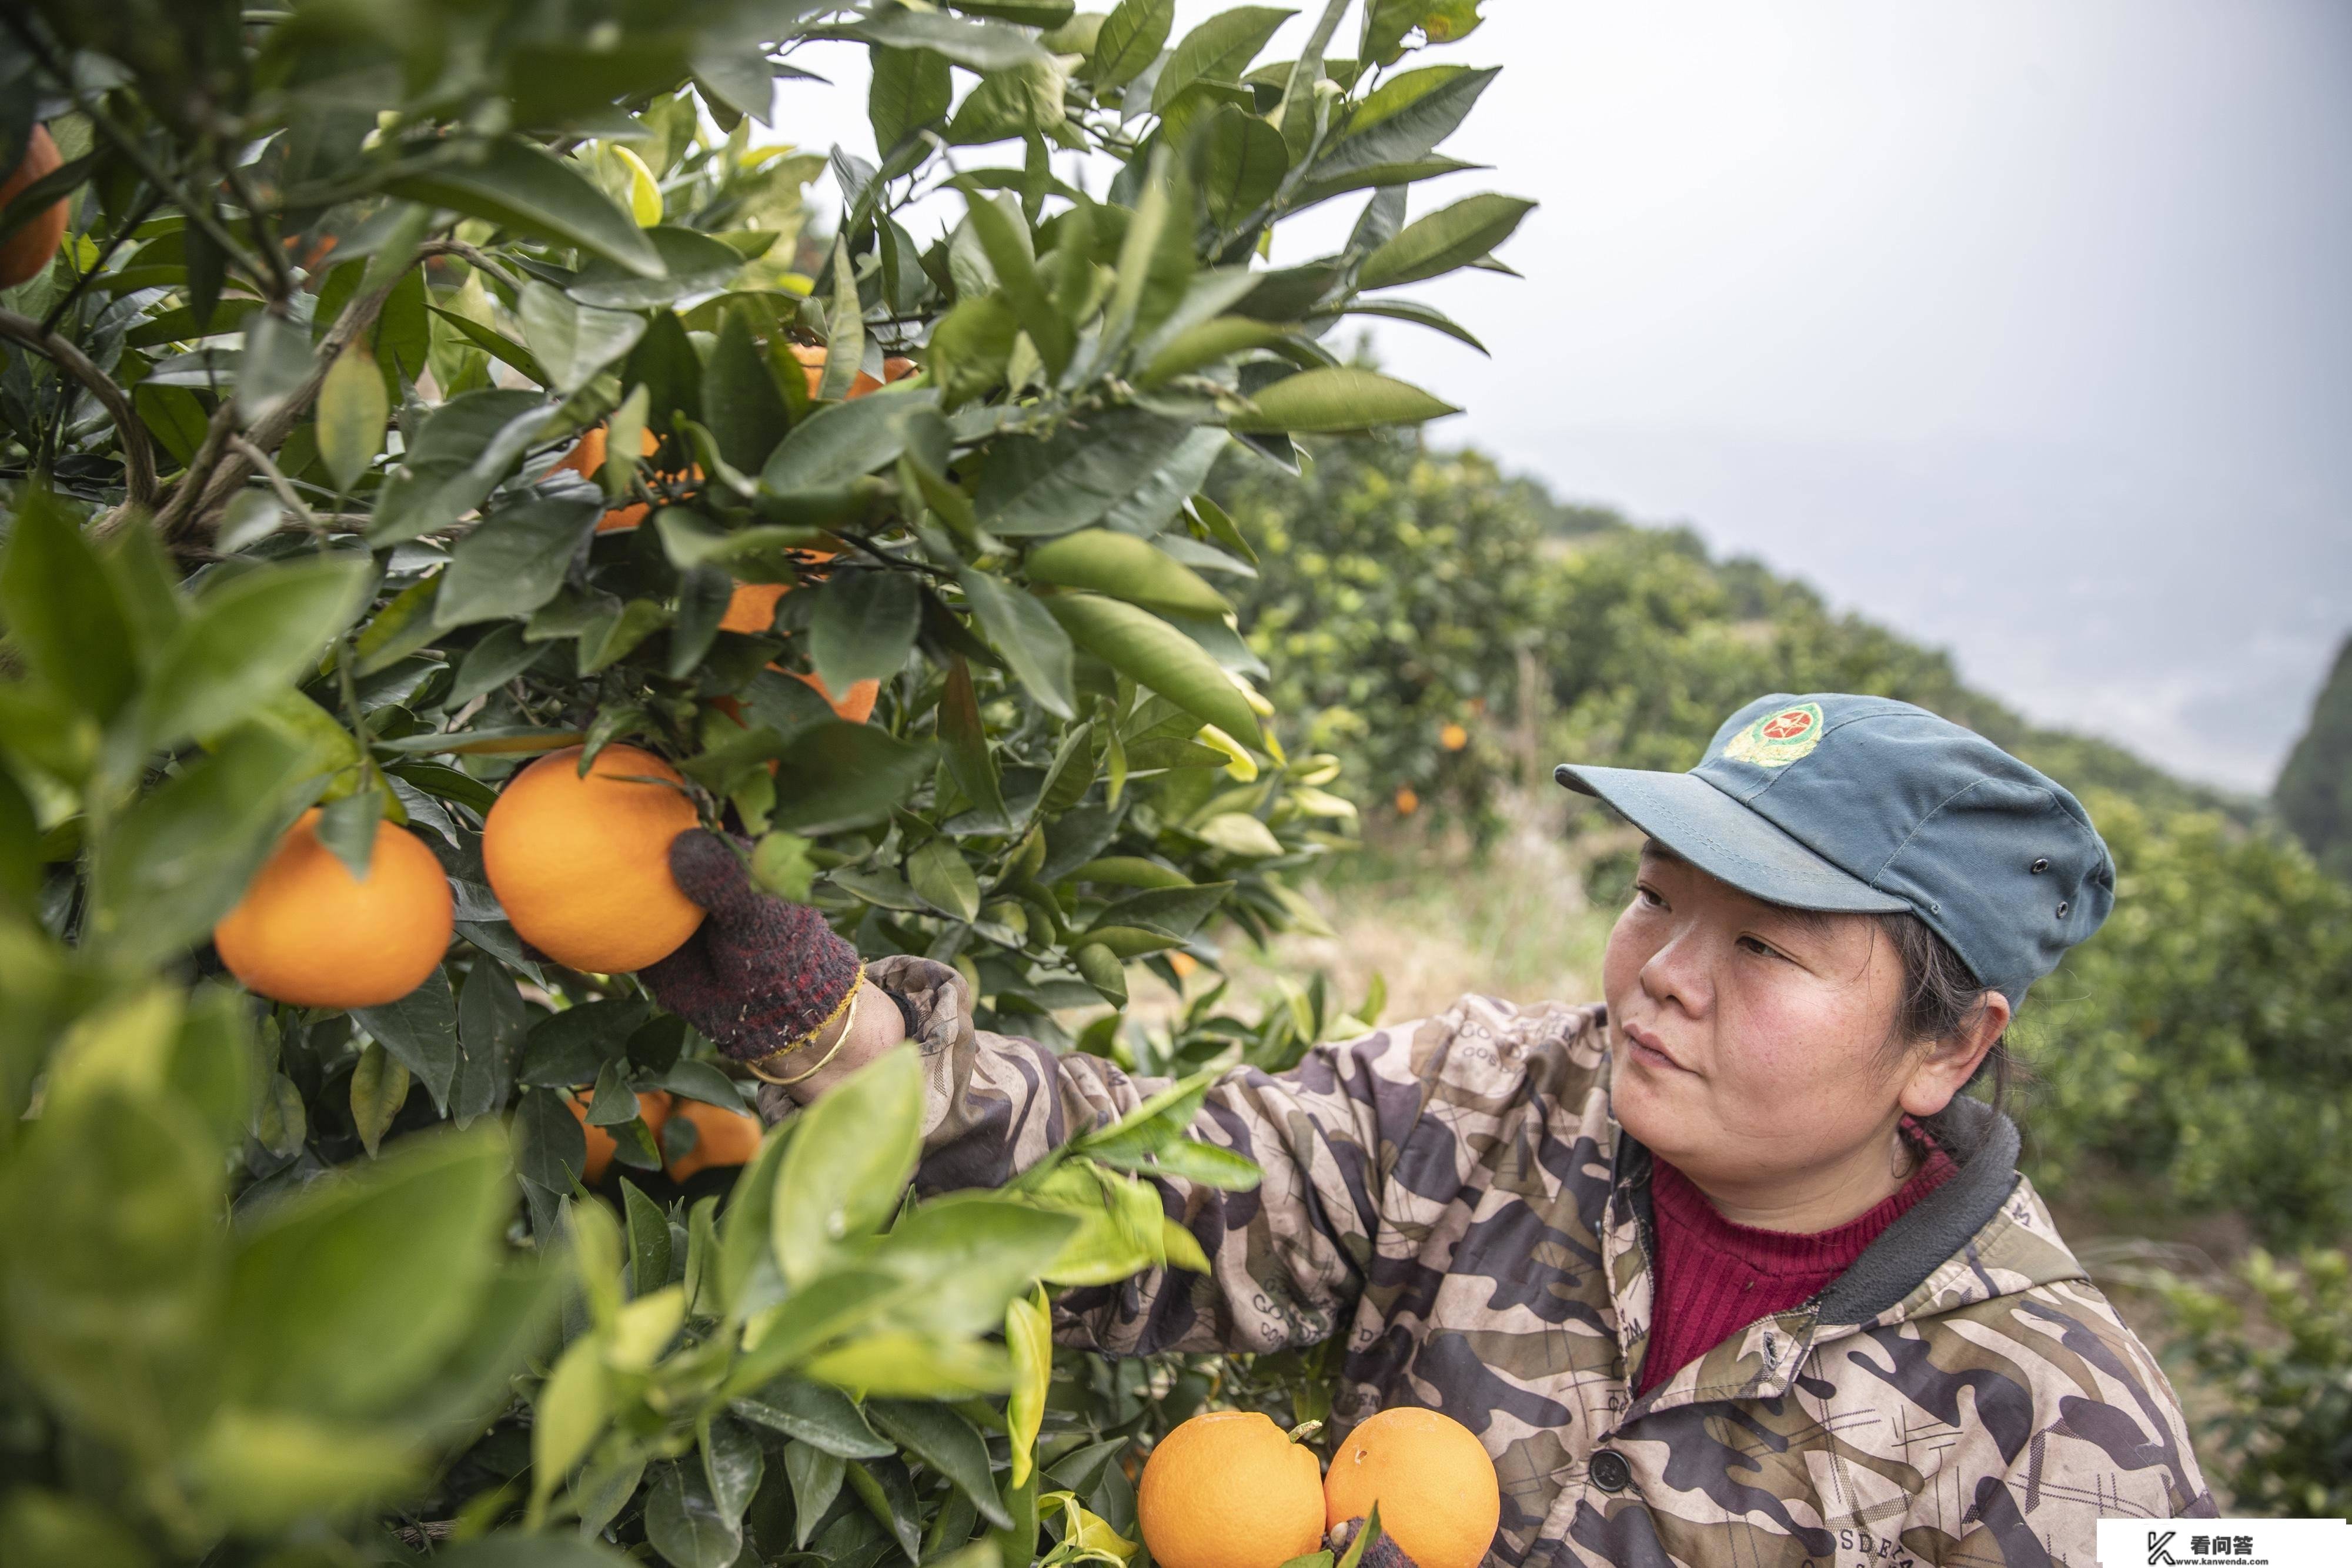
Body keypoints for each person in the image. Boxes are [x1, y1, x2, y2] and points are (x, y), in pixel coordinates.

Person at [645, 693, 2216, 1568]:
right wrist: (844, 1042)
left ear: (1951, 1044)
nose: (1662, 977)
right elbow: (1136, 1203)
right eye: (1657, 897)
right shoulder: (1492, 1104)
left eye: (1763, 947)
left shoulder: (2060, 1434)